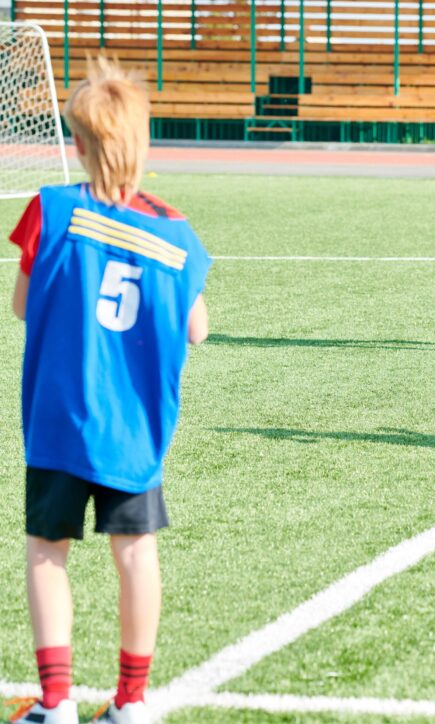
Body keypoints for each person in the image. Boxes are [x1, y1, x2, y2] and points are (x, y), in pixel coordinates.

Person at [6, 57, 211, 724]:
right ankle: (129, 702)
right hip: (133, 430)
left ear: (84, 143)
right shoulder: (176, 235)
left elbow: (22, 306)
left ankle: (57, 701)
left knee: (46, 552)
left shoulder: (52, 209)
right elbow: (199, 329)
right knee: (136, 554)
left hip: (61, 420)